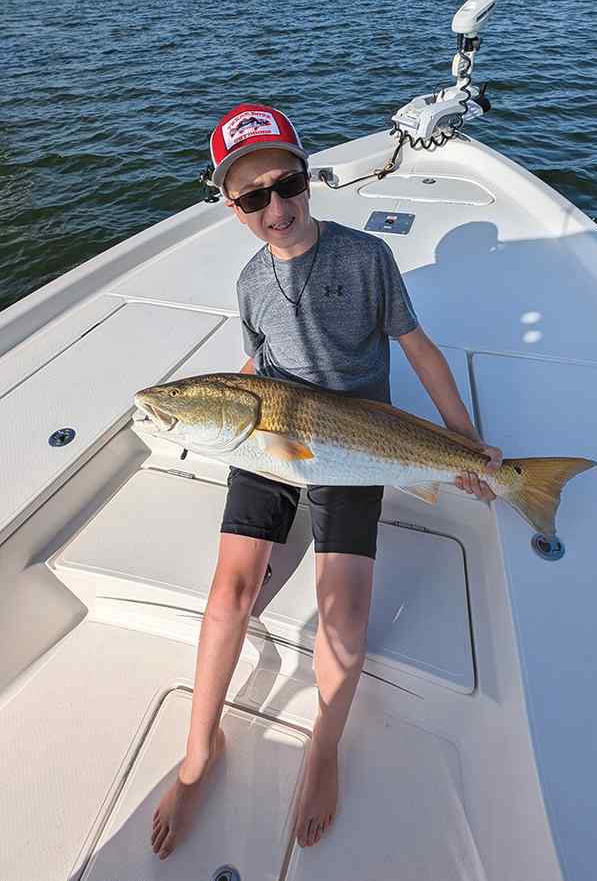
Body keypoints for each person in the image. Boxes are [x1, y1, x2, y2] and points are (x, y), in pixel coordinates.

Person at [150, 103, 503, 859]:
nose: (277, 207)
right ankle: (200, 747)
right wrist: (214, 422)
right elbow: (254, 367)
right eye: (253, 197)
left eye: (289, 184)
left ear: (309, 178)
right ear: (232, 207)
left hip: (353, 436)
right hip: (268, 432)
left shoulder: (368, 258)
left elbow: (420, 349)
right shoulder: (249, 284)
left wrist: (466, 444)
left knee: (344, 605)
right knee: (228, 592)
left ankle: (325, 745)